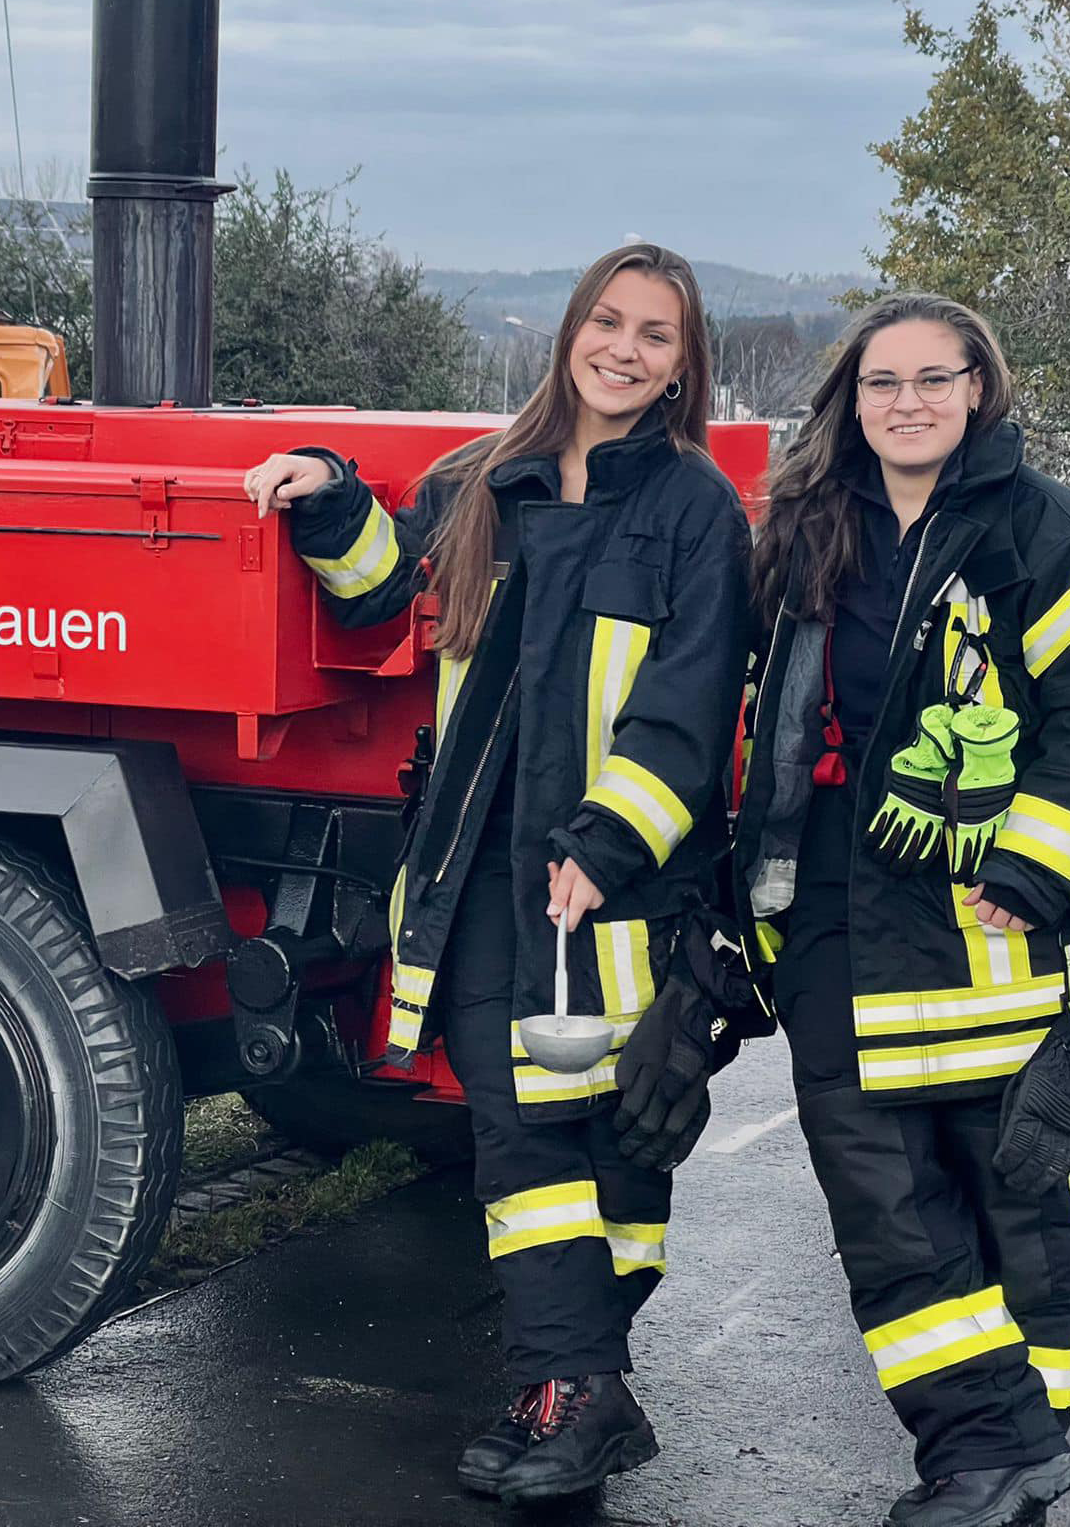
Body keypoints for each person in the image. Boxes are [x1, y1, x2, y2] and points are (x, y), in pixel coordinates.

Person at [244, 243, 751, 1504]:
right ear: (570, 329)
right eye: (608, 322)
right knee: (516, 1136)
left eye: (655, 336)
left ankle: (578, 1384)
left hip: (615, 882)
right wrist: (324, 495)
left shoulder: (693, 510)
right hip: (477, 879)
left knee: (618, 1144)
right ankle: (568, 1394)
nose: (623, 351)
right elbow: (374, 591)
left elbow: (686, 708)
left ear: (684, 367)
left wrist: (605, 842)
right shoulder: (487, 478)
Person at [730, 292, 1070, 1527]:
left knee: (1011, 1194)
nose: (907, 403)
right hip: (833, 910)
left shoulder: (1048, 530)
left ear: (978, 387)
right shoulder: (811, 528)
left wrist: (1029, 870)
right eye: (882, 383)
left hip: (992, 923)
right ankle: (983, 1451)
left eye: (934, 379)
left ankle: (1025, 1448)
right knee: (880, 1203)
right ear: (850, 400)